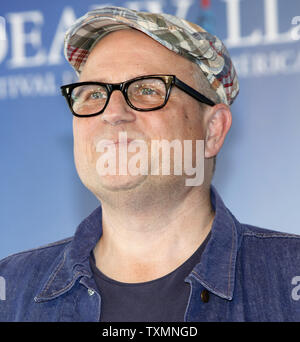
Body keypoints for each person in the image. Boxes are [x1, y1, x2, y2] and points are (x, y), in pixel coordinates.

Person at [0, 6, 300, 322]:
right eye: (92, 94)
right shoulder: (11, 291)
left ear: (212, 131)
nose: (111, 113)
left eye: (147, 89)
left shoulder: (289, 278)